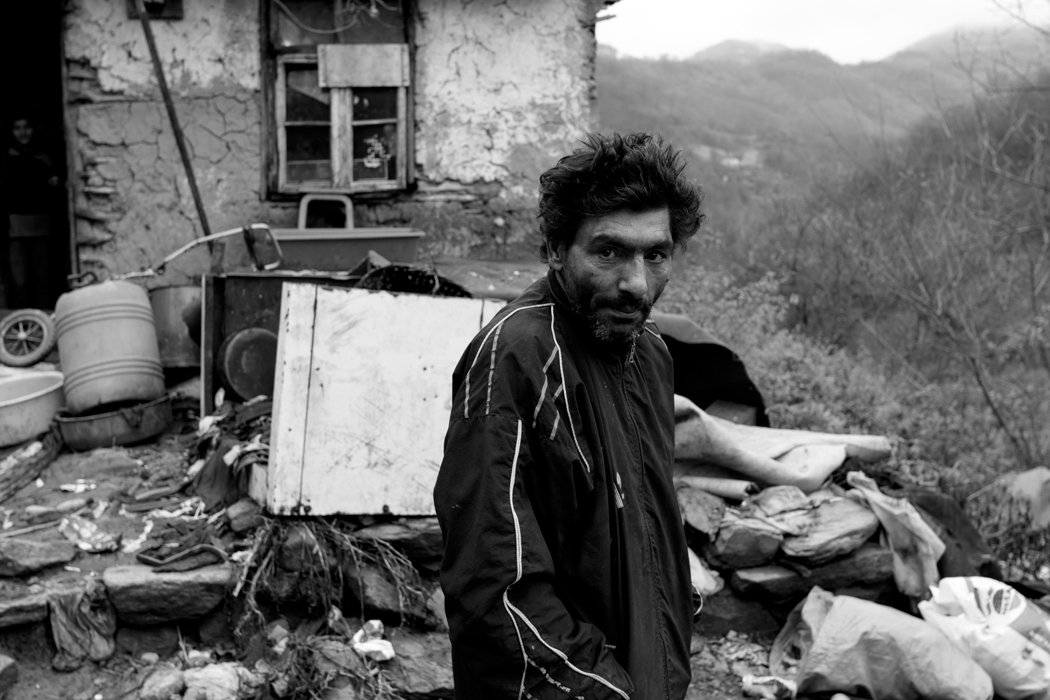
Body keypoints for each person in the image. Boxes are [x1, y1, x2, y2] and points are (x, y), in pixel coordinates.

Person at [434, 132, 703, 699]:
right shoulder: (518, 359)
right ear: (557, 249)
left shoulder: (649, 355)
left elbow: (644, 525)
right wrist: (604, 691)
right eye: (609, 252)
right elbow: (496, 588)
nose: (636, 283)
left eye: (655, 255)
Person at [2, 114, 61, 308]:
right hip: (15, 226)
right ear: (11, 131)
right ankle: (22, 320)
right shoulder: (7, 158)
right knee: (19, 281)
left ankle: (42, 318)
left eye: (27, 127)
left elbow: (56, 188)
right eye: (17, 128)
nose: (23, 132)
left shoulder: (44, 158)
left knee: (42, 278)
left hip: (41, 224)